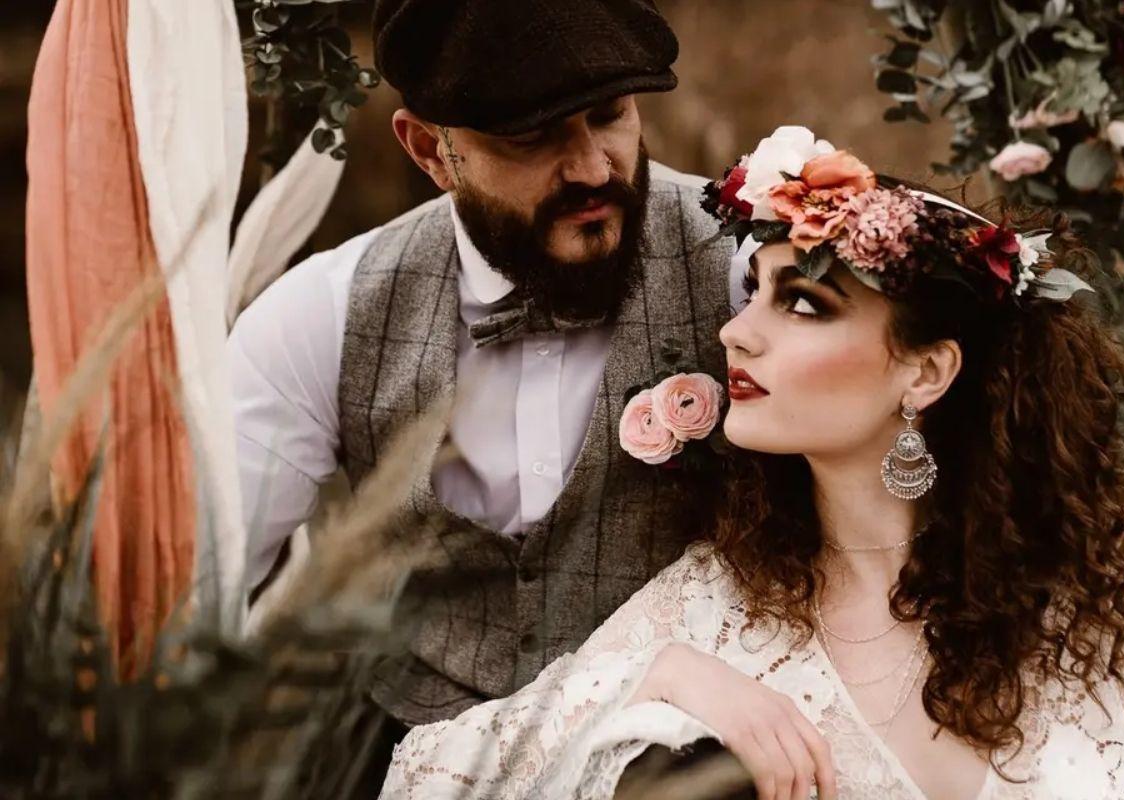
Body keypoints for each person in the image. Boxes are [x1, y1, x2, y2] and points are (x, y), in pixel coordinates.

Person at [378, 127, 1124, 799]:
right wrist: (657, 678)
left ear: (926, 372)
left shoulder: (1104, 578)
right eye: (755, 295)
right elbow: (428, 775)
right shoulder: (717, 605)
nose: (738, 332)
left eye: (803, 303)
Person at [227, 0, 823, 795]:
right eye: (530, 136)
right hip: (412, 762)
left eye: (609, 115)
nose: (590, 168)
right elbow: (185, 588)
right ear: (430, 151)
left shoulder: (746, 269)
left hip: (678, 752)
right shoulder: (321, 316)